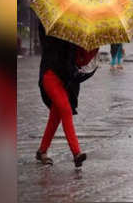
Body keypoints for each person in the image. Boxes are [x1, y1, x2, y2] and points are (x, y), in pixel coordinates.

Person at [35, 24, 98, 168]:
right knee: (65, 109)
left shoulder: (76, 29)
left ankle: (42, 151)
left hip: (68, 80)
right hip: (50, 75)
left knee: (55, 116)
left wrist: (90, 43)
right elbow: (47, 44)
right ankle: (76, 153)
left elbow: (82, 58)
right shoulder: (49, 27)